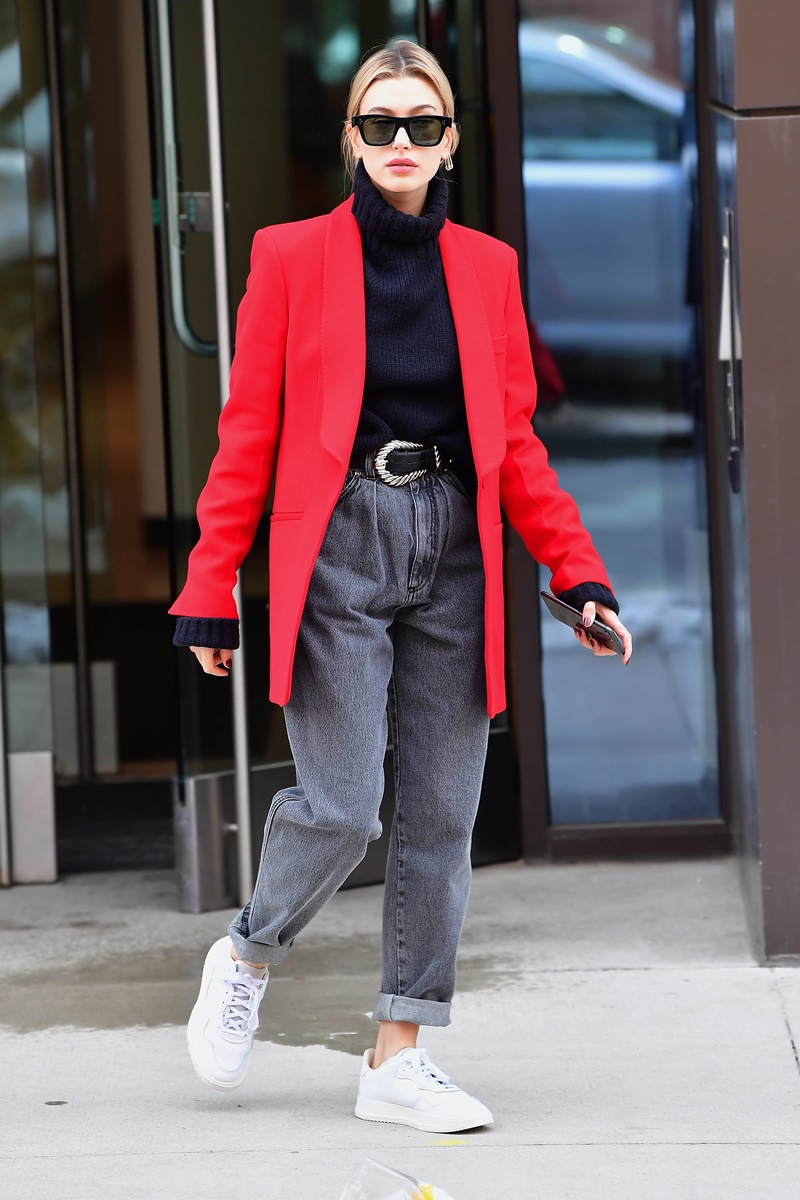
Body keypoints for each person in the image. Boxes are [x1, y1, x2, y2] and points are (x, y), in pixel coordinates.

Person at [170, 38, 632, 1134]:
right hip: (337, 542)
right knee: (339, 806)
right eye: (379, 122)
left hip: (455, 548)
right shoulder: (288, 257)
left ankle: (397, 1053)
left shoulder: (483, 268)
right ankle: (247, 951)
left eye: (421, 124)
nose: (399, 142)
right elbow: (249, 435)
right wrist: (208, 582)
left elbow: (513, 445)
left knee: (436, 818)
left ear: (449, 143)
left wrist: (576, 573)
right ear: (350, 136)